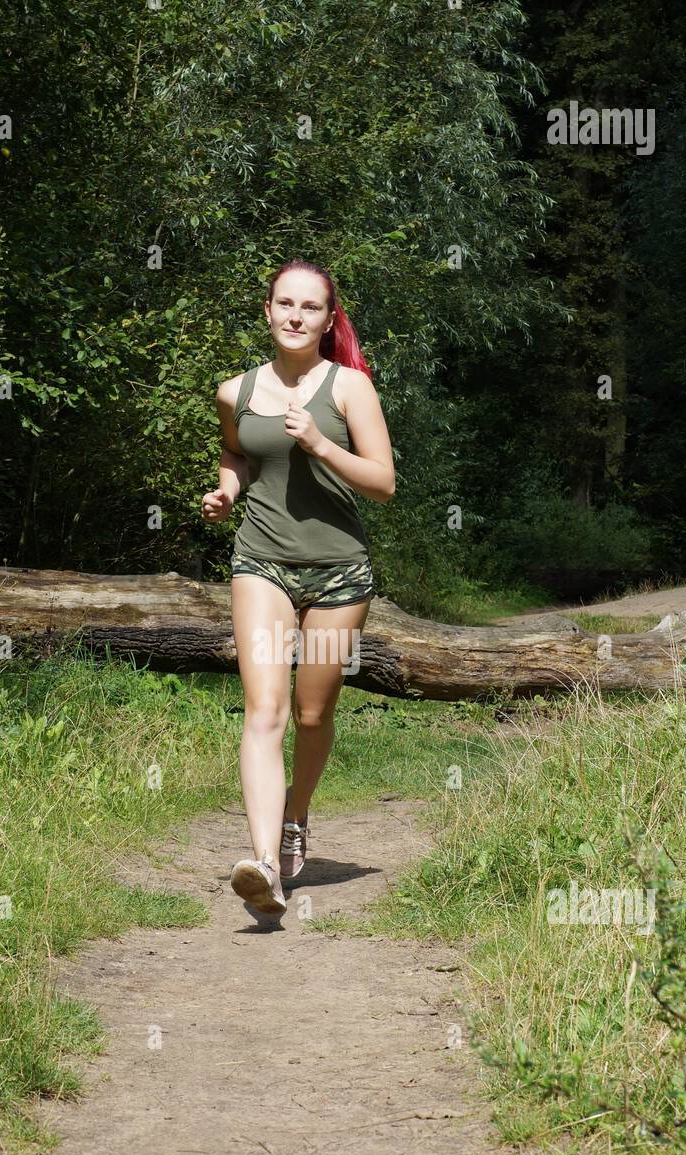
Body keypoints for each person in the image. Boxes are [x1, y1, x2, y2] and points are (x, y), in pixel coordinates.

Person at [201, 257, 395, 917]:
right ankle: (263, 867)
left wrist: (318, 442)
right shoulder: (235, 391)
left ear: (327, 319)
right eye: (284, 304)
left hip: (339, 574)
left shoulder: (348, 389)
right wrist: (227, 490)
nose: (294, 316)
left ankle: (295, 817)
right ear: (267, 311)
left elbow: (383, 484)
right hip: (261, 563)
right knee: (265, 712)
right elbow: (238, 452)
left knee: (312, 715)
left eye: (309, 307)